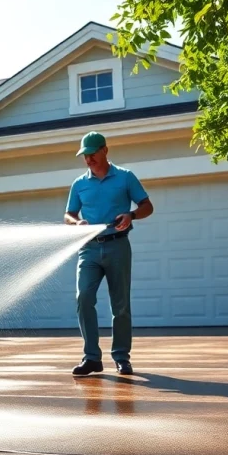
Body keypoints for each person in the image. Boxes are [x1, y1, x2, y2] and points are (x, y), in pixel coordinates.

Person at [64, 131, 154, 376]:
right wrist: (76, 223)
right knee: (83, 298)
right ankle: (92, 358)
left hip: (118, 246)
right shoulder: (79, 183)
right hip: (89, 249)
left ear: (105, 150)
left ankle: (122, 357)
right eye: (84, 156)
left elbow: (147, 206)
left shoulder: (125, 177)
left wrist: (131, 215)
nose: (88, 160)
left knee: (120, 305)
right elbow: (69, 215)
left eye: (92, 154)